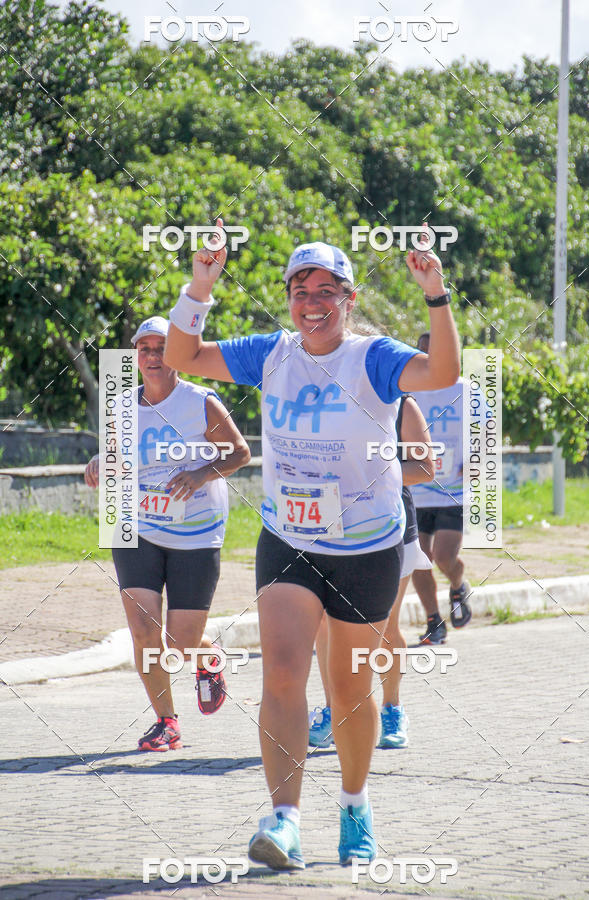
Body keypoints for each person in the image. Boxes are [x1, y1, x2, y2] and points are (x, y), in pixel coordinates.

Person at [164, 222, 460, 868]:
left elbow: (441, 371)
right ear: (290, 301)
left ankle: (355, 804)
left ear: (349, 299)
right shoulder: (271, 353)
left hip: (365, 551)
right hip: (289, 541)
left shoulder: (373, 357)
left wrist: (435, 295)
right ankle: (285, 820)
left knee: (350, 692)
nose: (313, 301)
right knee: (281, 673)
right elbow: (184, 356)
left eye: (327, 289)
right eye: (301, 289)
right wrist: (201, 284)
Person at [85, 316, 250, 750]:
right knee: (143, 630)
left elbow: (240, 453)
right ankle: (166, 722)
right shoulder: (120, 404)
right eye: (145, 349)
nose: (153, 357)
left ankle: (206, 653)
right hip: (138, 525)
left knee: (179, 644)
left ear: (176, 354)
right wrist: (99, 464)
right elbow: (115, 456)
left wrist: (199, 475)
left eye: (163, 349)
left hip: (196, 532)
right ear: (135, 355)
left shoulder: (200, 402)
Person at [308, 393, 435, 751]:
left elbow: (425, 467)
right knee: (323, 623)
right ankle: (334, 713)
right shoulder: (323, 399)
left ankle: (392, 708)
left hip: (387, 528)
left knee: (385, 626)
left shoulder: (401, 405)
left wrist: (371, 473)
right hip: (328, 524)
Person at [410, 332, 471, 645]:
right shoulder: (409, 392)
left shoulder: (466, 390)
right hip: (418, 490)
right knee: (419, 558)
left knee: (445, 558)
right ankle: (434, 620)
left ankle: (458, 585)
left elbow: (488, 433)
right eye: (423, 354)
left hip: (454, 491)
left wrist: (475, 463)